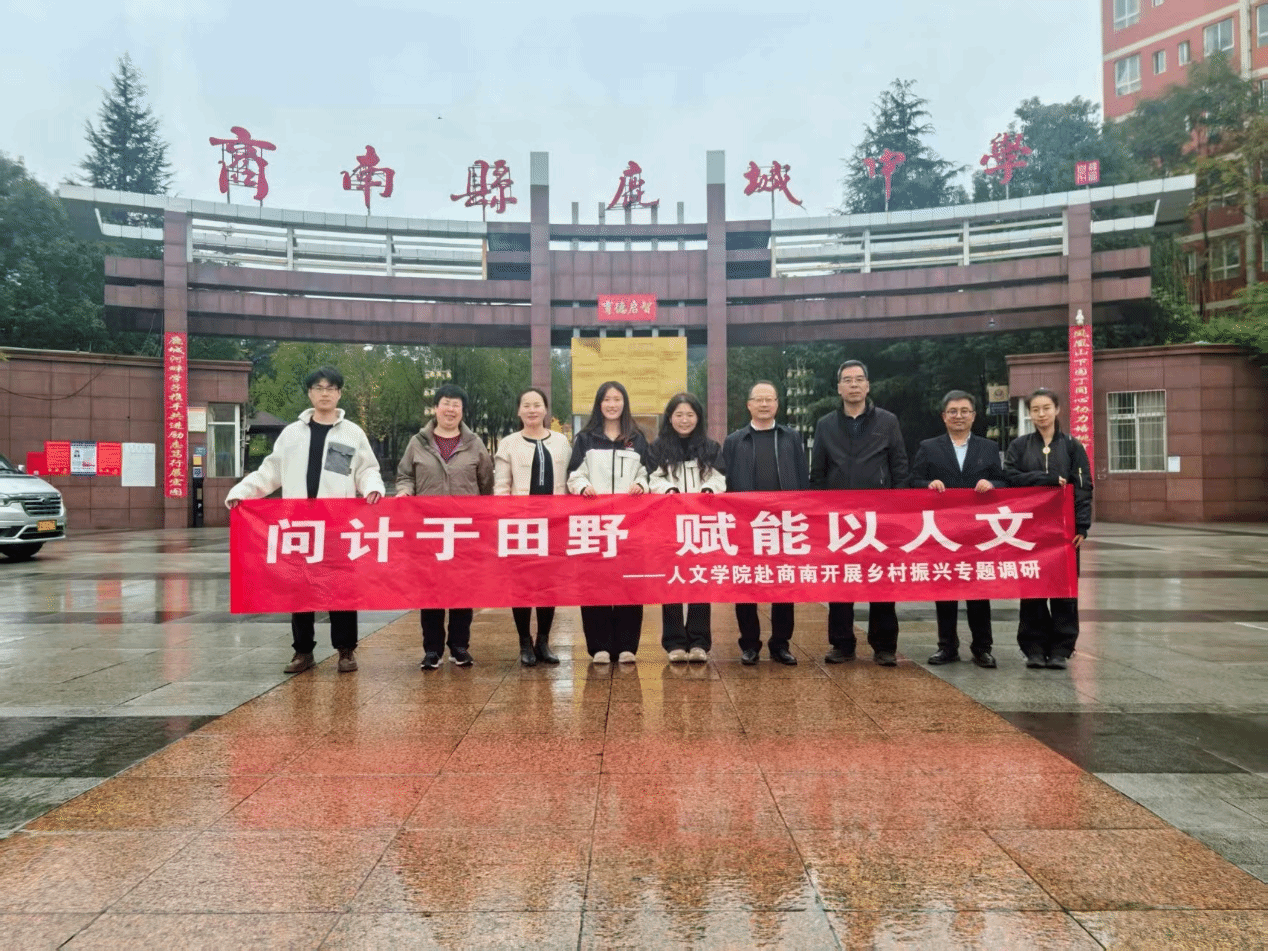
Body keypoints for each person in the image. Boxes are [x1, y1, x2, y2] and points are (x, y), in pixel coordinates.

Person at [226, 366, 384, 675]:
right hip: (299, 525)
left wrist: (372, 488)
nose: (325, 393)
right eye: (318, 388)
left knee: (341, 589)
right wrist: (242, 492)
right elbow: (270, 471)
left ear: (339, 393)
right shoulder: (292, 434)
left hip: (337, 524)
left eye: (331, 388)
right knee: (300, 590)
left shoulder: (351, 433)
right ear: (310, 393)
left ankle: (345, 650)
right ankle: (302, 651)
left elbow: (366, 469)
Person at [811, 360, 909, 667]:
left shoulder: (887, 421)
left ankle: (884, 646)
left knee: (881, 580)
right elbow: (818, 473)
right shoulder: (826, 424)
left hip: (880, 516)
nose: (853, 385)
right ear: (839, 388)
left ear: (867, 385)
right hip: (839, 518)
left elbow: (899, 466)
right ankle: (842, 644)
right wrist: (820, 513)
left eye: (858, 379)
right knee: (841, 581)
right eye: (847, 380)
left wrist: (898, 510)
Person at [396, 383, 494, 670]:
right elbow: (405, 475)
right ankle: (432, 649)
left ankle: (460, 646)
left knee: (463, 589)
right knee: (430, 589)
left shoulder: (474, 443)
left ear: (462, 410)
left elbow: (486, 483)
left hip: (465, 529)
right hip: (429, 529)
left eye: (456, 405)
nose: (450, 409)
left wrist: (484, 520)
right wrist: (404, 491)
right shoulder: (418, 442)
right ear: (436, 407)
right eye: (446, 404)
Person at [907, 389, 1005, 669]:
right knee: (945, 589)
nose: (958, 416)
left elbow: (1004, 481)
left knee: (979, 592)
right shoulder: (929, 447)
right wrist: (927, 485)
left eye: (964, 411)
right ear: (944, 416)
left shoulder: (987, 448)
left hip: (978, 532)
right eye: (953, 411)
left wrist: (992, 484)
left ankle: (982, 648)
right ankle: (947, 647)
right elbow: (913, 480)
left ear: (973, 416)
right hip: (943, 531)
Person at [1004, 387, 1093, 670]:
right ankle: (1033, 647)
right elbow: (1009, 477)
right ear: (1029, 414)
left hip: (1063, 531)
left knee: (1064, 589)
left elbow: (1083, 486)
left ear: (1057, 410)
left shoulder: (1072, 446)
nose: (1041, 414)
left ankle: (1061, 649)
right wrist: (1043, 478)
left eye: (1046, 408)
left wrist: (1082, 525)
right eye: (1035, 410)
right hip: (1028, 529)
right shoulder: (1019, 446)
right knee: (1032, 587)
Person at [720, 381, 808, 666]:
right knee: (746, 585)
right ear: (749, 405)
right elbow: (724, 481)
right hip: (746, 525)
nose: (764, 404)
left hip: (784, 524)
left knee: (784, 584)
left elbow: (802, 477)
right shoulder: (735, 441)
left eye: (770, 399)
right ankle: (749, 644)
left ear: (777, 404)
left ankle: (780, 644)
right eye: (759, 399)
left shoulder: (791, 437)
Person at [566, 381, 652, 664]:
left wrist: (641, 484)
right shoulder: (585, 439)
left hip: (629, 524)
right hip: (594, 524)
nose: (612, 405)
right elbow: (574, 474)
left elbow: (649, 473)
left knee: (630, 581)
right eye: (606, 399)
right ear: (599, 404)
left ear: (624, 403)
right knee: (595, 582)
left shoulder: (636, 438)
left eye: (617, 399)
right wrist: (582, 487)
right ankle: (599, 646)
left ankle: (627, 645)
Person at [493, 386, 572, 667]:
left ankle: (543, 641)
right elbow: (501, 487)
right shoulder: (509, 443)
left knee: (549, 585)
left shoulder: (561, 442)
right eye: (526, 405)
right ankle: (524, 642)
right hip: (521, 525)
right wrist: (506, 520)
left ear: (545, 409)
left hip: (554, 525)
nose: (532, 410)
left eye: (537, 404)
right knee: (522, 585)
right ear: (519, 411)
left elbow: (569, 481)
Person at [649, 393, 727, 663]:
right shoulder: (658, 448)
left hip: (701, 524)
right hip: (668, 524)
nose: (684, 420)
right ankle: (674, 642)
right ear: (670, 418)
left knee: (698, 579)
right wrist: (669, 490)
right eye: (679, 415)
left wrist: (708, 491)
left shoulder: (710, 447)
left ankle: (699, 642)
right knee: (671, 580)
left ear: (698, 418)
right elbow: (652, 478)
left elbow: (719, 477)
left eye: (690, 415)